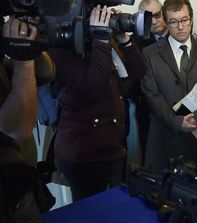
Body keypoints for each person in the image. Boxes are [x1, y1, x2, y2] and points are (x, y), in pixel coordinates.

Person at [48, 5, 145, 202]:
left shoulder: (104, 42)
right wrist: (100, 38)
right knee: (91, 218)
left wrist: (122, 38)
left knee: (113, 209)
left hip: (113, 147)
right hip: (84, 155)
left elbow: (137, 72)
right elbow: (94, 88)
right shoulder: (61, 45)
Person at [141, 0, 197, 173]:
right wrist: (177, 121)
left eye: (184, 20)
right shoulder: (150, 54)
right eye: (173, 21)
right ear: (165, 21)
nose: (180, 27)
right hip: (165, 138)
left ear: (191, 19)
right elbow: (152, 94)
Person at [0, 17, 44, 223]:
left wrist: (37, 37)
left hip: (21, 187)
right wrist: (23, 58)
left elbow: (47, 72)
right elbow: (17, 127)